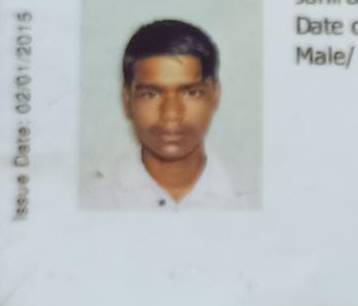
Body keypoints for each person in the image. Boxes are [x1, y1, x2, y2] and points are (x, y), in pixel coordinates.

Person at [87, 19, 246, 210]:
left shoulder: (252, 198)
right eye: (150, 94)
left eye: (191, 93)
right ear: (127, 101)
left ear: (215, 95)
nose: (171, 114)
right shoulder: (92, 201)